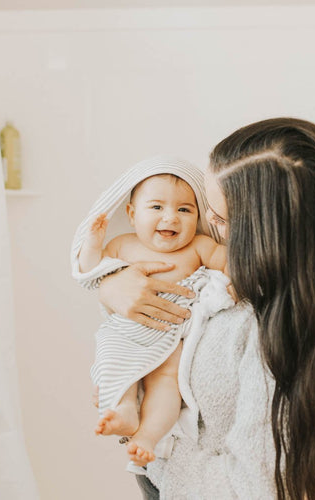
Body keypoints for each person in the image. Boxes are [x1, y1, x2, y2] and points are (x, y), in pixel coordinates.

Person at [96, 118, 315, 500]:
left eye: (220, 219)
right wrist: (112, 286)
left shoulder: (278, 331)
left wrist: (152, 445)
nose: (205, 227)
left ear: (266, 232)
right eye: (205, 208)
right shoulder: (259, 273)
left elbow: (249, 488)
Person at [76, 169, 229, 471]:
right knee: (110, 366)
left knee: (166, 382)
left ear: (198, 216)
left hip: (169, 332)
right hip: (126, 331)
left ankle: (146, 437)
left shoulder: (198, 246)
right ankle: (123, 411)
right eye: (157, 207)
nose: (171, 217)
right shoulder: (122, 244)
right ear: (132, 214)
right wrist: (93, 242)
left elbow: (231, 263)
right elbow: (90, 270)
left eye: (184, 209)